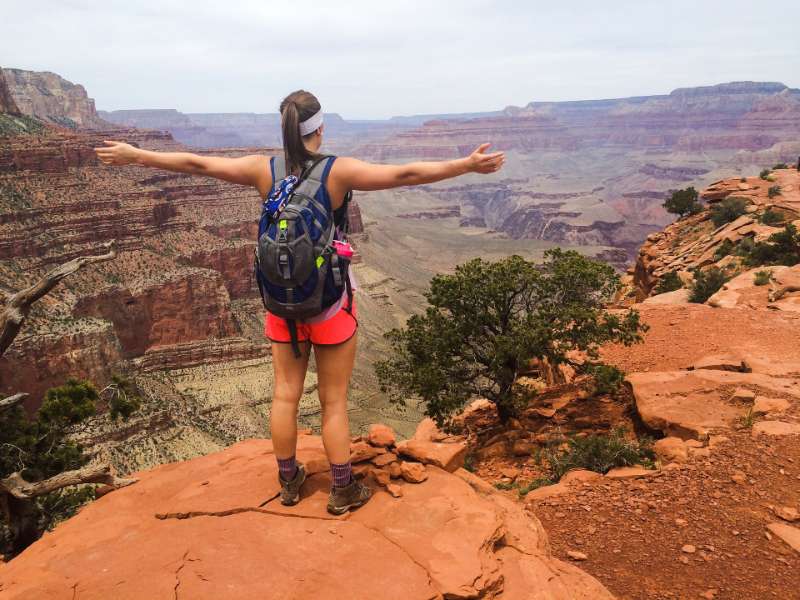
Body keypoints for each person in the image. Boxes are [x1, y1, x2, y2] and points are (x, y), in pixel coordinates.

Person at [94, 89, 505, 514]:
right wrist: (466, 166)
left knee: (284, 395)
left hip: (280, 309)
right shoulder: (337, 172)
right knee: (333, 401)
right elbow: (404, 175)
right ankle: (342, 490)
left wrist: (136, 154)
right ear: (320, 128)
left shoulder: (262, 168)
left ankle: (289, 482)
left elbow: (197, 164)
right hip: (329, 306)